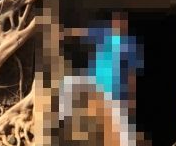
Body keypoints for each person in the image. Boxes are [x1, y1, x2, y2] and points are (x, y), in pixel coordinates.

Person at [61, 11, 144, 145]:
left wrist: (131, 99)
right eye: (116, 21)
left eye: (122, 21)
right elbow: (82, 32)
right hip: (94, 84)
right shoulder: (104, 33)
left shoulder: (130, 45)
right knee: (68, 83)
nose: (119, 24)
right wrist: (62, 33)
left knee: (121, 132)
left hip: (114, 92)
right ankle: (61, 117)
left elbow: (131, 75)